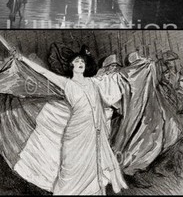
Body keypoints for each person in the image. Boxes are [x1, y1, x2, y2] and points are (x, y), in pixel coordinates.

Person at [9, 46, 127, 195]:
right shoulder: (66, 83)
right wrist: (22, 58)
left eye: (82, 62)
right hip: (74, 133)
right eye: (77, 61)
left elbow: (114, 86)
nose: (80, 63)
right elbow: (44, 72)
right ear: (72, 66)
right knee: (69, 169)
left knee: (92, 169)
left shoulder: (95, 82)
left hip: (93, 132)